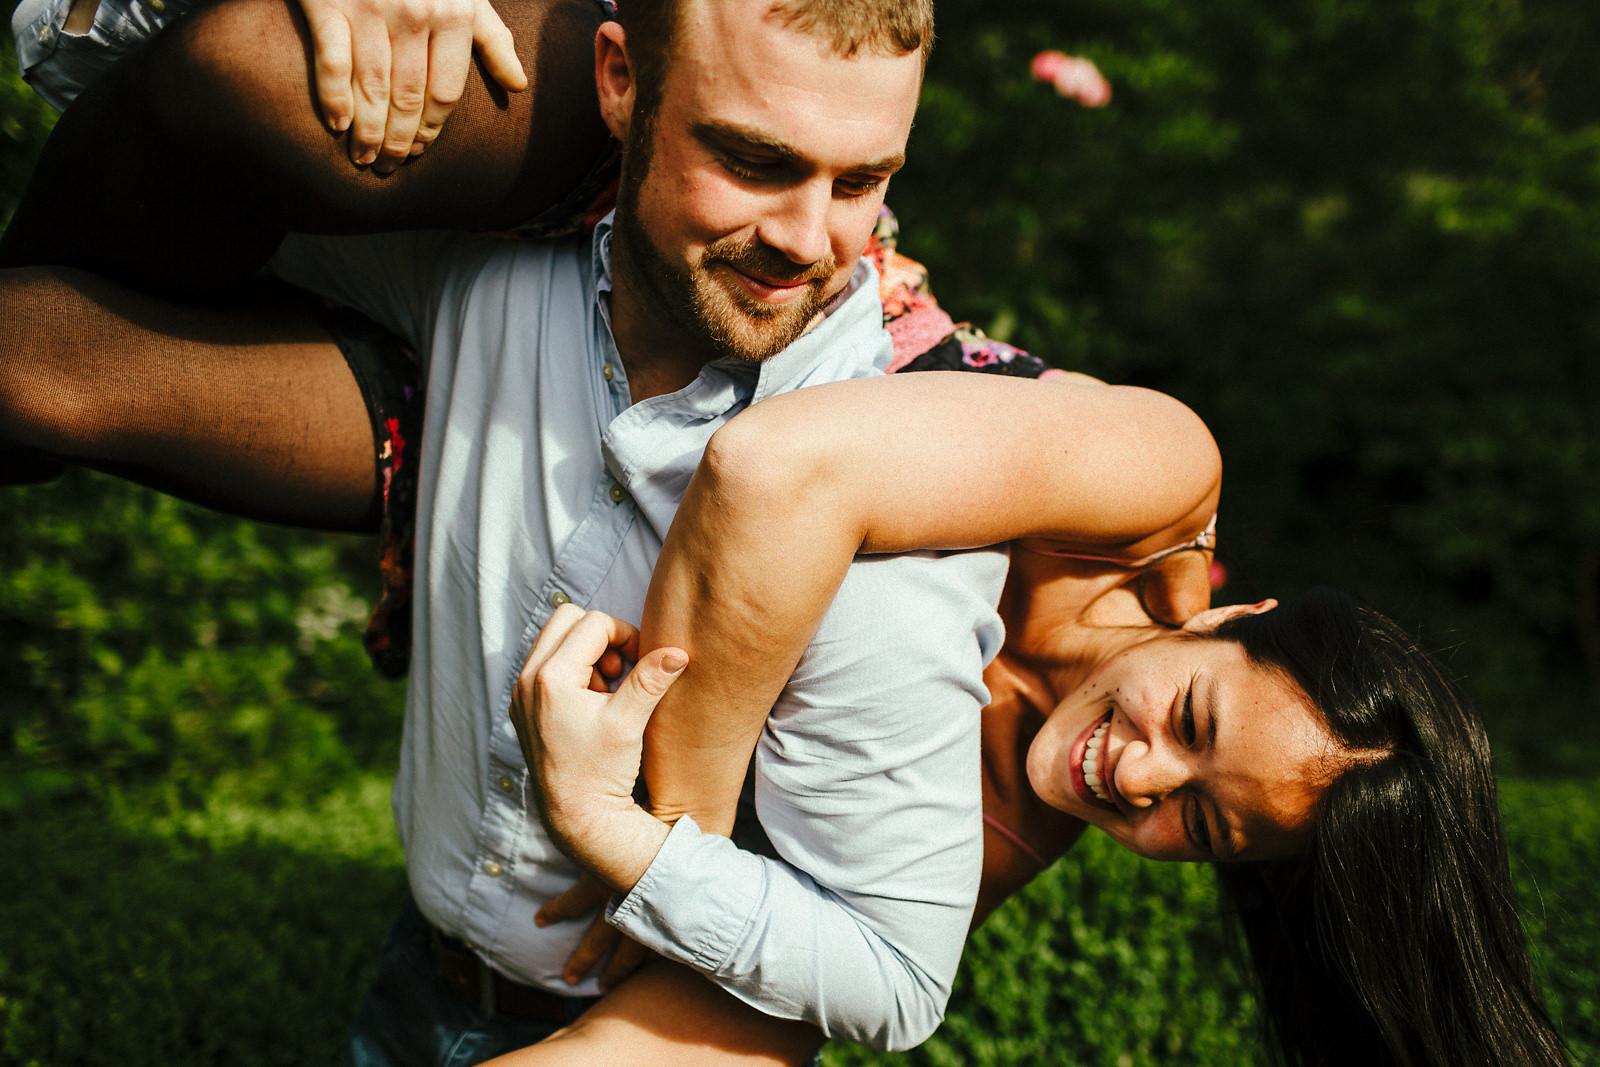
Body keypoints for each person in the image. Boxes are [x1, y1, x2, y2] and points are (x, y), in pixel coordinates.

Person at [0, 4, 1572, 1067]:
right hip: (583, 364)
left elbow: (744, 1014)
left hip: (493, 920)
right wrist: (634, 825)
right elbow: (775, 479)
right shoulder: (1144, 480)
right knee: (228, 95)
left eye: (1208, 827)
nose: (1141, 779)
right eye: (1194, 720)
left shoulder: (999, 823)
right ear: (1234, 617)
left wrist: (607, 912)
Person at [0, 0, 1050, 1060]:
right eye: (751, 160)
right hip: (417, 973)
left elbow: (899, 980)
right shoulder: (484, 269)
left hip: (639, 1037)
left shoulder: (901, 505)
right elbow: (143, 107)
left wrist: (628, 843)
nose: (804, 238)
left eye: (861, 181)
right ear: (618, 81)